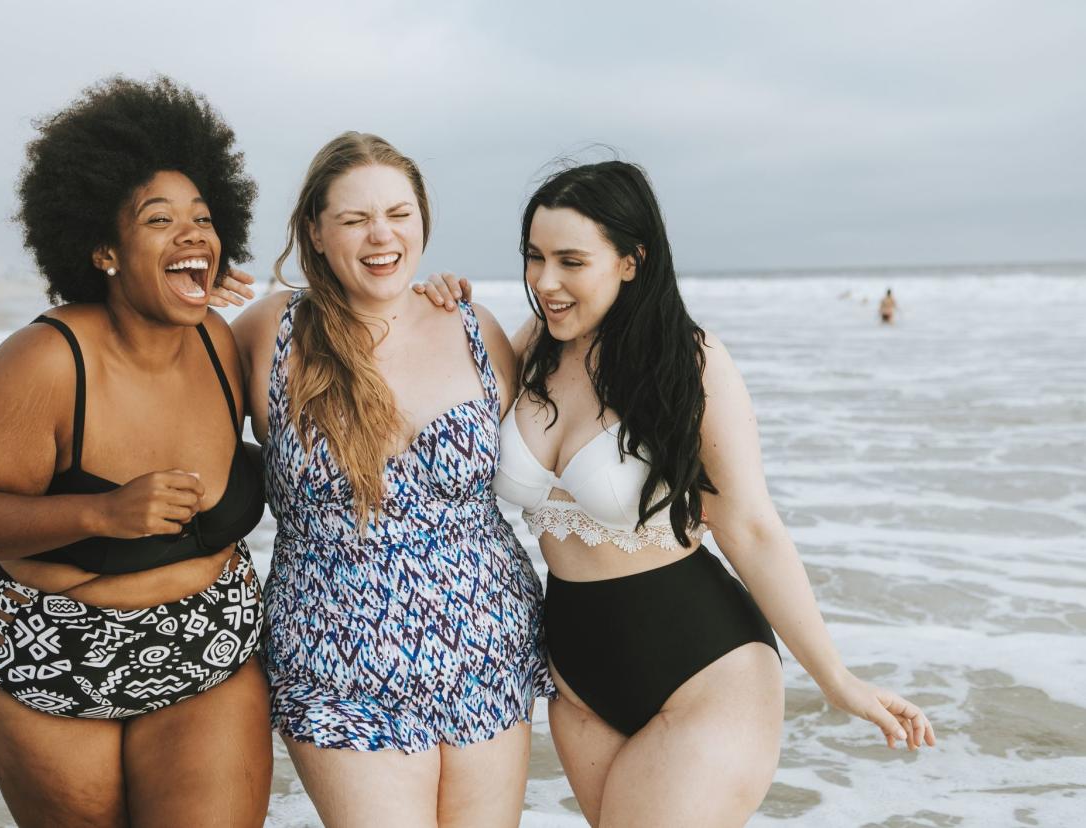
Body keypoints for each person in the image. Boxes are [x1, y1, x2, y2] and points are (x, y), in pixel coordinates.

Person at [416, 161, 935, 827]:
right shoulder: (535, 346)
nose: (545, 281)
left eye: (572, 261)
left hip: (703, 671)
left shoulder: (691, 363)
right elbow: (433, 411)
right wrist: (430, 306)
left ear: (632, 261)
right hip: (577, 680)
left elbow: (750, 527)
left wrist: (836, 679)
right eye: (534, 257)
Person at [0, 77, 272, 826]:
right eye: (160, 220)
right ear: (105, 249)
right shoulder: (47, 360)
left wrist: (437, 297)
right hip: (55, 659)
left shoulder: (221, 344)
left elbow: (346, 339)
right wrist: (101, 512)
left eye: (204, 220)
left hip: (208, 654)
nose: (194, 235)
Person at [227, 132, 553, 827]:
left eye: (400, 214)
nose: (382, 236)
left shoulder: (471, 324)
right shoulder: (269, 332)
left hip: (485, 643)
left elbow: (566, 429)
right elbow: (166, 418)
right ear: (315, 232)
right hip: (334, 657)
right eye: (354, 219)